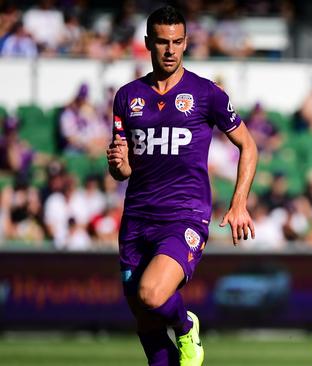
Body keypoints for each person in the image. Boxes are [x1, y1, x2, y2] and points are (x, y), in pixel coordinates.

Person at [106, 6, 257, 366]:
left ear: (186, 42)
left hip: (184, 216)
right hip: (137, 220)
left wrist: (238, 203)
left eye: (177, 42)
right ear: (147, 44)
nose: (170, 50)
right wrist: (119, 165)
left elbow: (248, 145)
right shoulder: (127, 97)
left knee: (152, 293)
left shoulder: (207, 94)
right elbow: (123, 170)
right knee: (147, 321)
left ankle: (188, 325)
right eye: (162, 42)